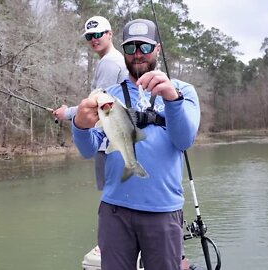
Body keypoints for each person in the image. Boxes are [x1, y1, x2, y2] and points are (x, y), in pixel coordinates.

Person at [72, 18, 201, 270]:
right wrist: (79, 126)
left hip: (163, 211)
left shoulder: (183, 91)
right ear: (124, 51)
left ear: (158, 49)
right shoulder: (109, 94)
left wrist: (172, 100)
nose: (138, 54)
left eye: (145, 47)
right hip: (115, 211)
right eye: (130, 48)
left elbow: (184, 140)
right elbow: (88, 150)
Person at [53, 15, 128, 190]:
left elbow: (98, 106)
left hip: (110, 141)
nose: (93, 40)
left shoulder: (109, 62)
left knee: (110, 195)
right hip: (116, 138)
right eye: (89, 36)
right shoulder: (114, 60)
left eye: (98, 34)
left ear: (110, 34)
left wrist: (67, 113)